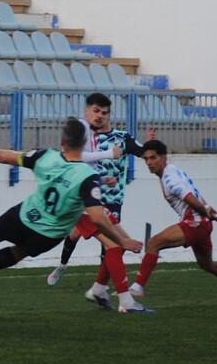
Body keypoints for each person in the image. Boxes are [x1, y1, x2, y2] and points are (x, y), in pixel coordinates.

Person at [0, 117, 151, 314]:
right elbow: (97, 217)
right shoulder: (88, 177)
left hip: (25, 216)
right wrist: (122, 239)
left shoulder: (45, 156)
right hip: (48, 234)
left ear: (62, 140)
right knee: (17, 253)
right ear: (86, 141)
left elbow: (8, 157)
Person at [45, 93, 147, 301]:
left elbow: (84, 167)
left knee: (118, 244)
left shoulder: (115, 136)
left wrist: (102, 179)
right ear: (87, 110)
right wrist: (108, 154)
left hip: (106, 198)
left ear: (110, 115)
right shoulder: (82, 130)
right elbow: (74, 157)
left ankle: (100, 289)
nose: (100, 116)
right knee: (111, 243)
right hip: (82, 203)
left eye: (104, 112)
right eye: (96, 111)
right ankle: (120, 298)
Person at [130, 139, 217, 297]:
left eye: (153, 158)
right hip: (202, 223)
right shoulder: (171, 169)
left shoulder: (170, 180)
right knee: (207, 265)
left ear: (163, 157)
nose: (149, 162)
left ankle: (137, 288)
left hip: (195, 222)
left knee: (154, 243)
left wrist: (204, 210)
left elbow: (188, 196)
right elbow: (192, 191)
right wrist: (207, 208)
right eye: (146, 159)